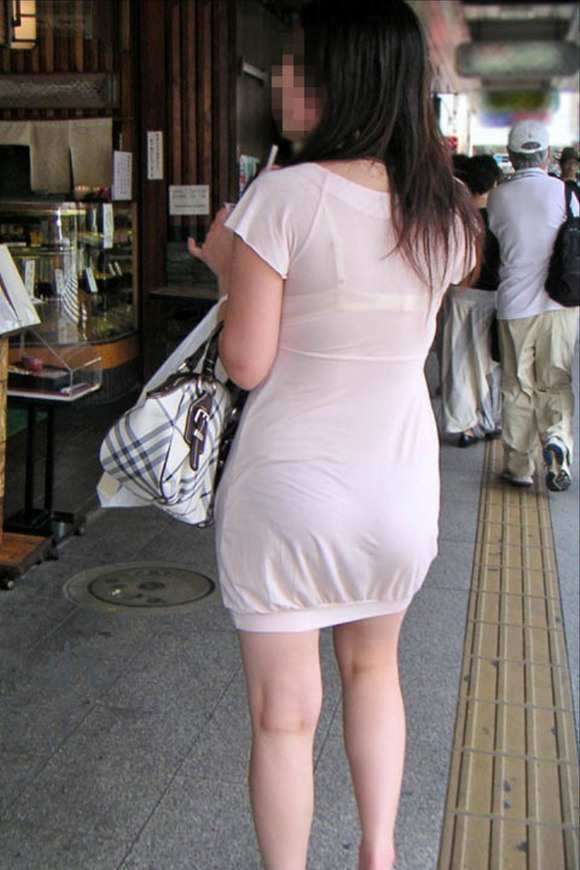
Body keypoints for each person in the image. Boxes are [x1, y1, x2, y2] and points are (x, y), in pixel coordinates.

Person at [189, 2, 479, 868]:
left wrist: (227, 268)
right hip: (398, 491)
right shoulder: (446, 212)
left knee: (285, 716)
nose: (281, 79)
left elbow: (247, 362)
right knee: (373, 672)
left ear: (341, 79)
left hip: (290, 493)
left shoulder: (283, 197)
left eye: (296, 64)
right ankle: (380, 852)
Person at [487, 120, 580, 491]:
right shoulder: (565, 193)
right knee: (555, 381)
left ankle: (519, 466)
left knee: (517, 386)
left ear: (511, 157)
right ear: (547, 155)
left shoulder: (498, 197)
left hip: (515, 307)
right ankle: (557, 439)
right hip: (561, 304)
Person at [440, 154, 502, 446]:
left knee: (458, 364)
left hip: (459, 295)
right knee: (489, 364)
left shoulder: (456, 217)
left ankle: (465, 427)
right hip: (492, 297)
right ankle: (489, 421)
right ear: (493, 183)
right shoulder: (500, 220)